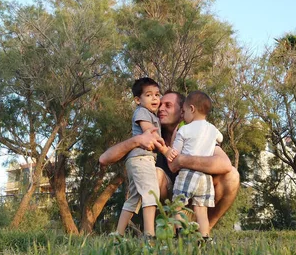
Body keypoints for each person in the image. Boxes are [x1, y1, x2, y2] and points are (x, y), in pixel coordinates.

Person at [99, 91, 239, 231]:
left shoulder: (195, 135)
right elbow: (104, 158)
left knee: (232, 176)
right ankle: (165, 229)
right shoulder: (150, 135)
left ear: (182, 111)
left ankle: (204, 230)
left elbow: (225, 164)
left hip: (193, 200)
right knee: (156, 173)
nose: (161, 109)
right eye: (160, 105)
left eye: (168, 105)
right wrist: (136, 140)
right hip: (168, 202)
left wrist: (181, 160)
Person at [115, 78, 177, 238]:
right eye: (149, 95)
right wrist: (166, 151)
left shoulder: (150, 114)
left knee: (134, 198)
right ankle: (149, 235)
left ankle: (117, 235)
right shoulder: (142, 112)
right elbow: (151, 134)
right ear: (137, 100)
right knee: (151, 194)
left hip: (140, 159)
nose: (155, 98)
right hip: (141, 158)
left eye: (157, 94)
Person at [171, 91, 222, 239]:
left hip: (188, 173)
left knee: (177, 205)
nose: (183, 115)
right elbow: (221, 138)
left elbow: (175, 152)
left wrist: (175, 136)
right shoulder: (212, 129)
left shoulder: (184, 129)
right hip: (205, 176)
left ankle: (179, 232)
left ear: (192, 109)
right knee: (201, 209)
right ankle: (205, 237)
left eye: (184, 111)